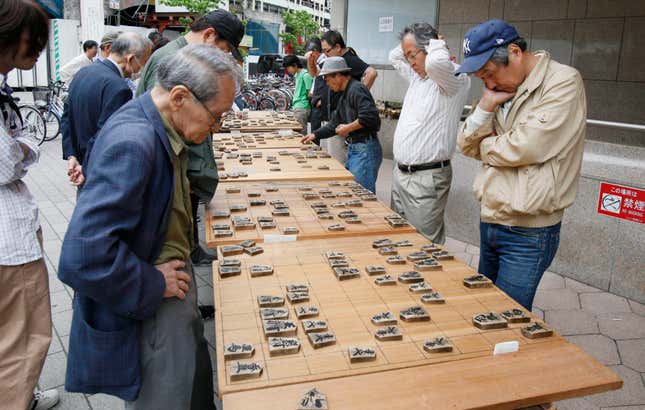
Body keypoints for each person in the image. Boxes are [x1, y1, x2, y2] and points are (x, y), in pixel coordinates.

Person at [58, 44, 242, 408]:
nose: (216, 128)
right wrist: (154, 281)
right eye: (216, 116)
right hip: (153, 307)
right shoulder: (134, 141)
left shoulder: (155, 121)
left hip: (169, 289)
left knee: (192, 389)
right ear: (179, 97)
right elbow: (81, 256)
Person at [456, 20, 587, 310]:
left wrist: (486, 146)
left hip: (529, 231)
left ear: (514, 52)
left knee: (508, 318)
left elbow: (527, 146)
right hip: (491, 216)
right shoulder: (498, 89)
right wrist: (485, 107)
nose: (488, 85)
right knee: (484, 308)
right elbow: (465, 144)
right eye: (481, 79)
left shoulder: (562, 81)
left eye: (489, 74)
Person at [137, 9, 245, 270]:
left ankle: (189, 254)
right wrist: (150, 280)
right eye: (225, 48)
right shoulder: (174, 57)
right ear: (209, 35)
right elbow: (160, 122)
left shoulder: (183, 55)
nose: (215, 126)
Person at [0, 1, 59, 409]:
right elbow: (6, 162)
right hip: (7, 241)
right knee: (21, 337)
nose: (39, 48)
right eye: (33, 38)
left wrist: (21, 148)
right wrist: (23, 148)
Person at [388, 23, 471, 244]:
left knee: (425, 247)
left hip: (426, 179)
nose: (410, 63)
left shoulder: (454, 78)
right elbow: (394, 57)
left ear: (431, 49)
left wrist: (436, 44)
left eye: (413, 56)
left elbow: (436, 63)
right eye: (408, 57)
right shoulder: (418, 77)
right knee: (399, 240)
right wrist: (412, 45)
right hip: (401, 174)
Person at [61, 32, 152, 188]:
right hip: (100, 172)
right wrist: (86, 169)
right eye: (142, 63)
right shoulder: (119, 88)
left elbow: (67, 118)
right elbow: (104, 134)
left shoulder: (83, 73)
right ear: (130, 59)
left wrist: (72, 156)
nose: (140, 69)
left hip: (81, 165)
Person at [301, 57, 382, 193]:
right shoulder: (345, 93)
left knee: (361, 194)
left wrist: (347, 128)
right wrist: (315, 134)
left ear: (338, 75)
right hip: (356, 147)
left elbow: (370, 117)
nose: (327, 83)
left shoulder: (357, 89)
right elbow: (334, 123)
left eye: (327, 79)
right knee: (353, 189)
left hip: (365, 148)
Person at [316, 30, 377, 163]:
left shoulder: (354, 86)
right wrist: (314, 134)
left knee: (340, 164)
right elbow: (316, 72)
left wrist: (359, 94)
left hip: (361, 142)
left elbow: (372, 73)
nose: (325, 55)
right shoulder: (346, 93)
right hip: (339, 122)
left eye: (327, 51)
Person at [283, 54, 313, 133]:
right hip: (298, 106)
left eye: (288, 67)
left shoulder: (305, 75)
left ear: (295, 65)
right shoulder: (298, 75)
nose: (288, 70)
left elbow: (310, 93)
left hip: (302, 107)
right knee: (296, 131)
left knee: (300, 132)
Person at [305, 38, 326, 136]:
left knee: (316, 133)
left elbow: (315, 74)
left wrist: (322, 100)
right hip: (316, 100)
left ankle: (315, 150)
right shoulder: (318, 62)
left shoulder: (325, 61)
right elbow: (315, 76)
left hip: (320, 102)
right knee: (315, 131)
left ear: (315, 51)